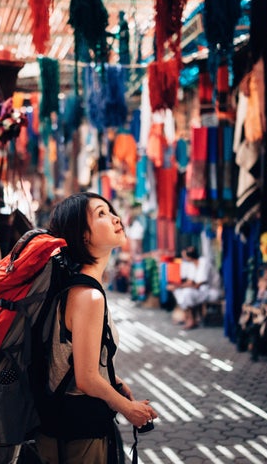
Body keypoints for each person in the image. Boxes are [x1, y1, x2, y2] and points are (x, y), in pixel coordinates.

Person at [35, 192, 157, 464]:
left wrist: (114, 381)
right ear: (84, 236)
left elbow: (76, 359)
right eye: (101, 213)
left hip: (64, 422)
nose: (115, 218)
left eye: (111, 210)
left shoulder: (77, 286)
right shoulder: (89, 296)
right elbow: (86, 378)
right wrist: (129, 409)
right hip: (80, 429)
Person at [169, 246, 217, 330]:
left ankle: (191, 319)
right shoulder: (191, 265)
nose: (183, 258)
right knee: (178, 291)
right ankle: (187, 316)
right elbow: (190, 281)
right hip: (199, 290)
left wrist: (180, 286)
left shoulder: (204, 263)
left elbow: (198, 284)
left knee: (188, 293)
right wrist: (176, 286)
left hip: (211, 291)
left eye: (184, 256)